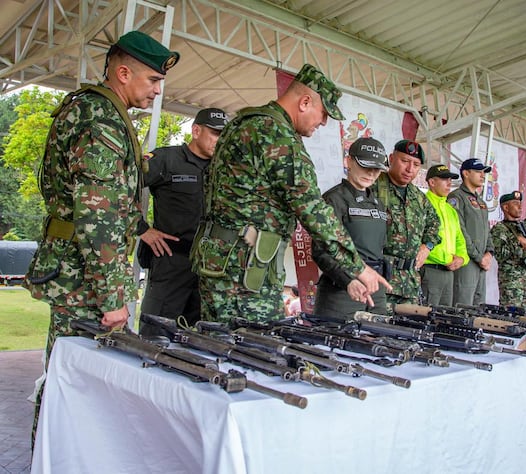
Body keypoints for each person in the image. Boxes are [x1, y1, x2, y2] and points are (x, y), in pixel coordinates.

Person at [23, 30, 179, 445]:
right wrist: (112, 299)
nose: (157, 91)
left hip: (77, 272)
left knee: (73, 379)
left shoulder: (97, 111)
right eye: (152, 81)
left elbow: (111, 201)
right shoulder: (101, 119)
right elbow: (98, 214)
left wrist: (142, 229)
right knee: (73, 383)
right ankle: (54, 458)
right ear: (123, 73)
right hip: (85, 283)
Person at [191, 63, 388, 323]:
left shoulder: (244, 123)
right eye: (323, 112)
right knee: (250, 352)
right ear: (305, 102)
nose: (324, 121)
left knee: (219, 345)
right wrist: (359, 267)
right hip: (244, 270)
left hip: (220, 260)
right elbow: (313, 211)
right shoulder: (276, 134)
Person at [137, 108, 228, 335]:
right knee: (155, 335)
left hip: (211, 270)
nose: (221, 141)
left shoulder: (227, 170)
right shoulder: (167, 159)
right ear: (196, 131)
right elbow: (119, 185)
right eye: (216, 133)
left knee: (200, 340)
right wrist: (141, 228)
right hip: (171, 262)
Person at [312, 137, 389, 322]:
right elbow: (320, 250)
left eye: (376, 168)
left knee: (382, 343)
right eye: (365, 166)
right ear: (348, 162)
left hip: (375, 289)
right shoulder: (334, 199)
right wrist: (348, 280)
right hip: (342, 291)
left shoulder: (378, 204)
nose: (371, 173)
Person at [375, 140, 441, 309]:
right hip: (380, 282)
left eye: (416, 164)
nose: (410, 169)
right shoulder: (373, 188)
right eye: (404, 161)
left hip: (409, 285)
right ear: (391, 158)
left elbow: (434, 224)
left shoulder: (418, 197)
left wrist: (427, 246)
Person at [420, 164, 468, 306]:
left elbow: (459, 239)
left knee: (444, 318)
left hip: (449, 273)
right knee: (426, 316)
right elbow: (420, 239)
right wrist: (447, 259)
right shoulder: (422, 203)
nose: (449, 183)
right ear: (432, 182)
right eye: (444, 179)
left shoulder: (450, 210)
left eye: (450, 179)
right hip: (430, 270)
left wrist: (462, 258)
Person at [448, 158, 493, 306]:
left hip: (481, 263)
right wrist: (478, 257)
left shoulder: (481, 202)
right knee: (463, 306)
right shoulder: (456, 197)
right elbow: (459, 230)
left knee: (479, 307)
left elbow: (487, 231)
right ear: (466, 173)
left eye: (483, 172)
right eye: (478, 171)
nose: (482, 175)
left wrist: (489, 253)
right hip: (466, 262)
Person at [490, 191, 526, 308]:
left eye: (520, 203)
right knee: (511, 317)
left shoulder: (523, 228)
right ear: (505, 207)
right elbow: (500, 255)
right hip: (511, 284)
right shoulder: (499, 229)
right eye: (515, 203)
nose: (520, 207)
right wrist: (517, 241)